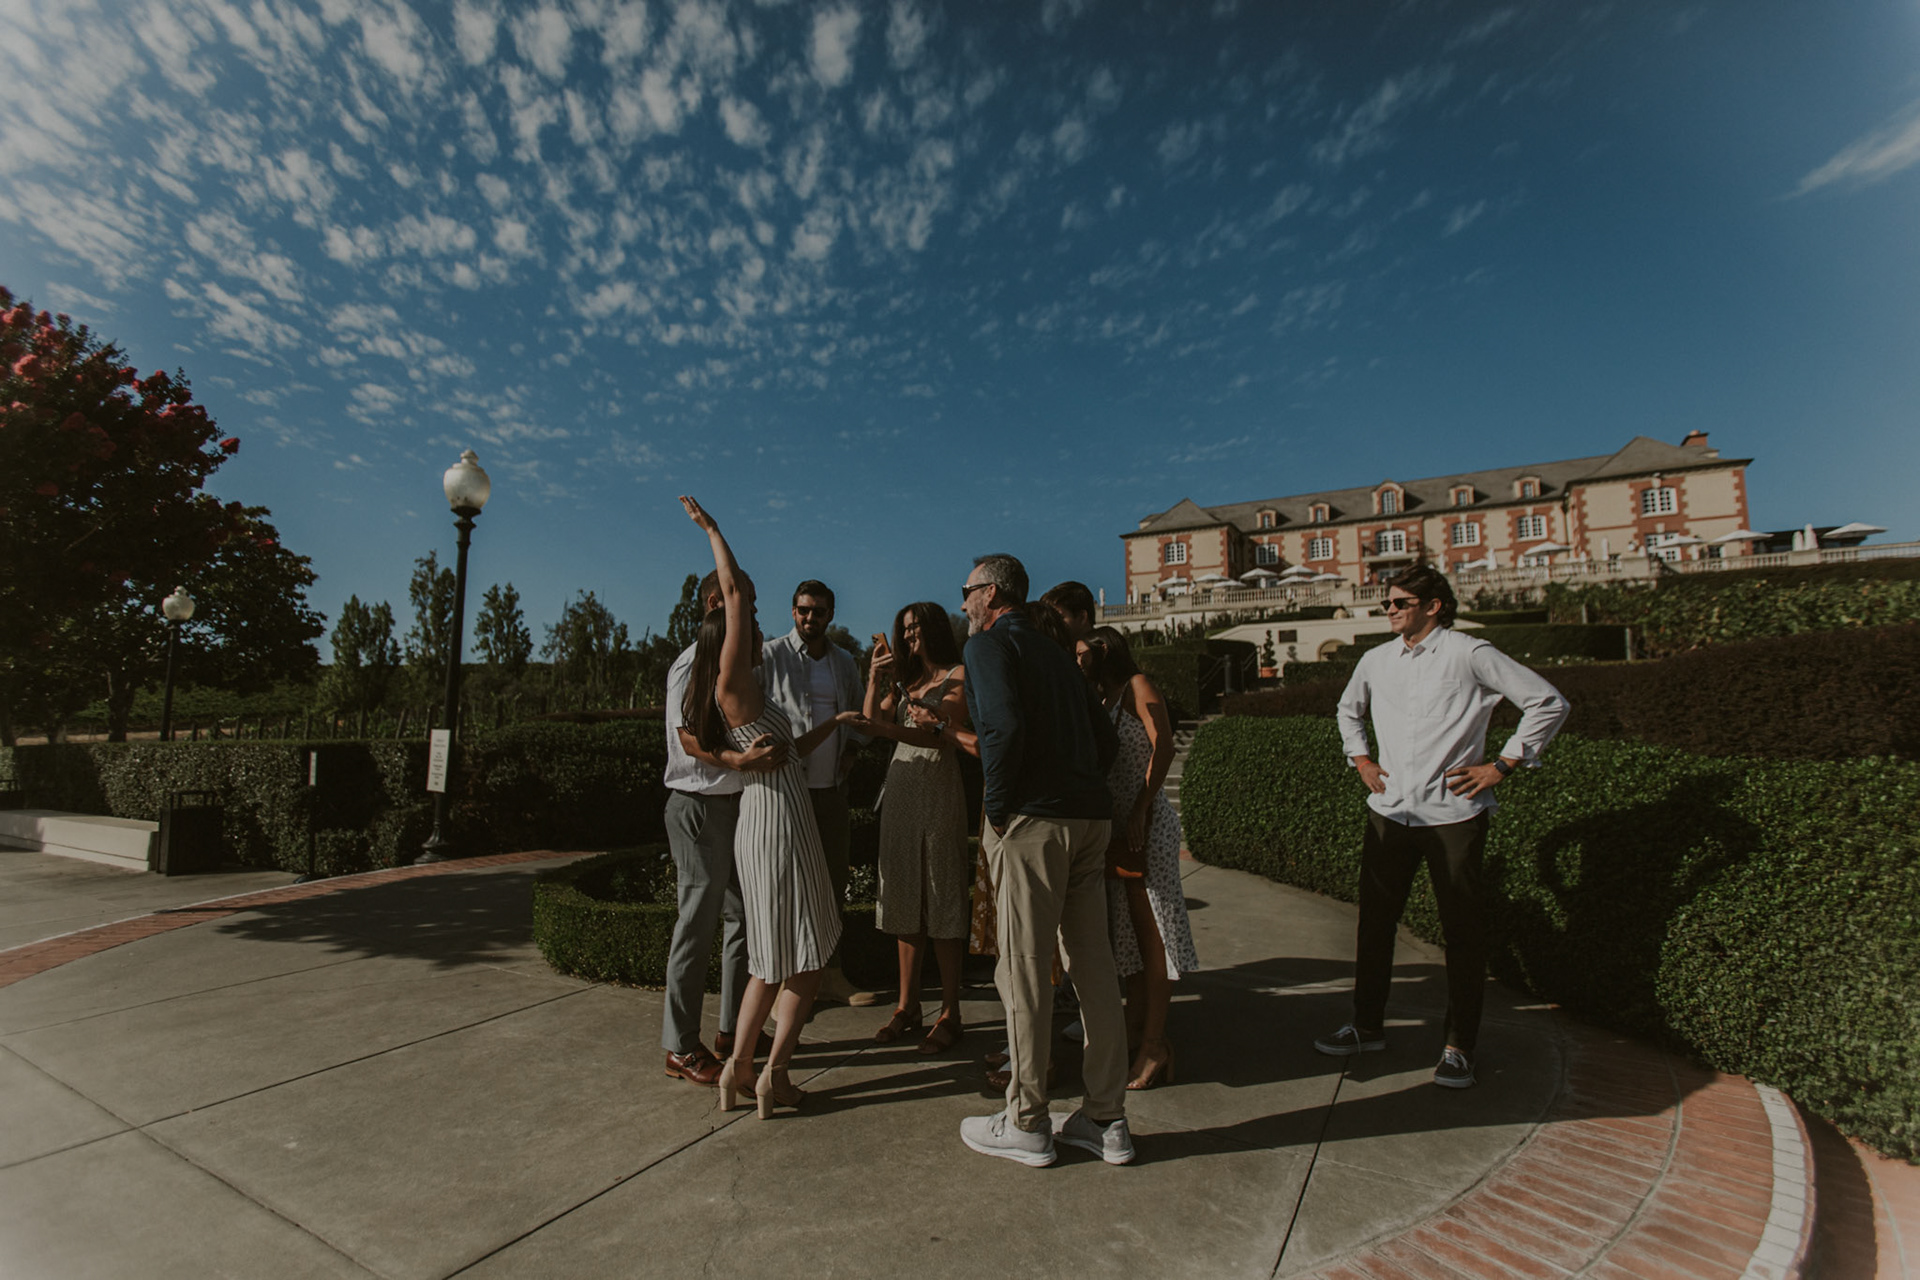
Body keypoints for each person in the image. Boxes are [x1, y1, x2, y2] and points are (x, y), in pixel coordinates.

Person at [1316, 564, 1570, 1088]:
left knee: (1462, 935)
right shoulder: (1375, 659)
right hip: (1390, 811)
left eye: (1399, 603)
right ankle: (1367, 1026)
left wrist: (1500, 766)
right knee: (1374, 926)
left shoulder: (1468, 653)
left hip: (1454, 815)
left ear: (1434, 606)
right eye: (1386, 603)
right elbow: (1347, 711)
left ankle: (1460, 1045)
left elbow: (1548, 702)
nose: (1389, 610)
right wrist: (1361, 761)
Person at [679, 496, 857, 1118]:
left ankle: (738, 1069)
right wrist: (714, 530)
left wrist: (836, 722)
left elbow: (788, 751)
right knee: (804, 954)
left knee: (769, 957)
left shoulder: (742, 695)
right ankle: (774, 1076)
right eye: (745, 625)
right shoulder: (737, 683)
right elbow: (732, 593)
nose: (752, 629)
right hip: (778, 819)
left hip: (773, 811)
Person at [955, 553, 1131, 1168]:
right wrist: (1078, 782)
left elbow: (1000, 726)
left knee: (1026, 970)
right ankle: (1106, 1118)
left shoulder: (987, 646)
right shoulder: (1059, 653)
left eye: (968, 590)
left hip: (1034, 821)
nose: (963, 603)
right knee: (1094, 968)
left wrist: (1000, 806)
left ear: (993, 593)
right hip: (1089, 819)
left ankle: (1027, 1119)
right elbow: (1105, 739)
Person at [659, 570, 786, 1086]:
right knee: (696, 923)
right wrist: (739, 762)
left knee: (742, 921)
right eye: (746, 603)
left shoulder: (732, 661)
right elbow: (688, 738)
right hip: (698, 810)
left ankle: (733, 1032)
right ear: (718, 602)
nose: (754, 613)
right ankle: (680, 1047)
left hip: (731, 808)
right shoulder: (690, 663)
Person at [840, 601, 974, 1054]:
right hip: (900, 791)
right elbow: (871, 723)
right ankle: (907, 1005)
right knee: (902, 895)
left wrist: (891, 729)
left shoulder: (958, 673)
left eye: (917, 628)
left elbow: (943, 730)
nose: (911, 635)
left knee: (942, 895)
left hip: (937, 789)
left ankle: (951, 1011)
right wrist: (875, 677)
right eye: (906, 629)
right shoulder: (908, 682)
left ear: (934, 630)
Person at [1077, 625, 1199, 1090]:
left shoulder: (1137, 685)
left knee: (1153, 934)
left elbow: (1162, 744)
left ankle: (1155, 1044)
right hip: (1119, 827)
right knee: (1128, 934)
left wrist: (1142, 807)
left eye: (1081, 651)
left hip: (1145, 824)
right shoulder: (1103, 697)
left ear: (1103, 649)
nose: (1076, 659)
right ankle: (1135, 1028)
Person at [760, 578, 875, 1008]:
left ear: (831, 615)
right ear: (793, 611)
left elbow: (861, 714)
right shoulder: (769, 656)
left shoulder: (844, 661)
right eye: (804, 610)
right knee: (786, 888)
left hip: (831, 792)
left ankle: (830, 975)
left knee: (832, 884)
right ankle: (786, 986)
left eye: (819, 611)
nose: (811, 617)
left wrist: (853, 753)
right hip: (787, 791)